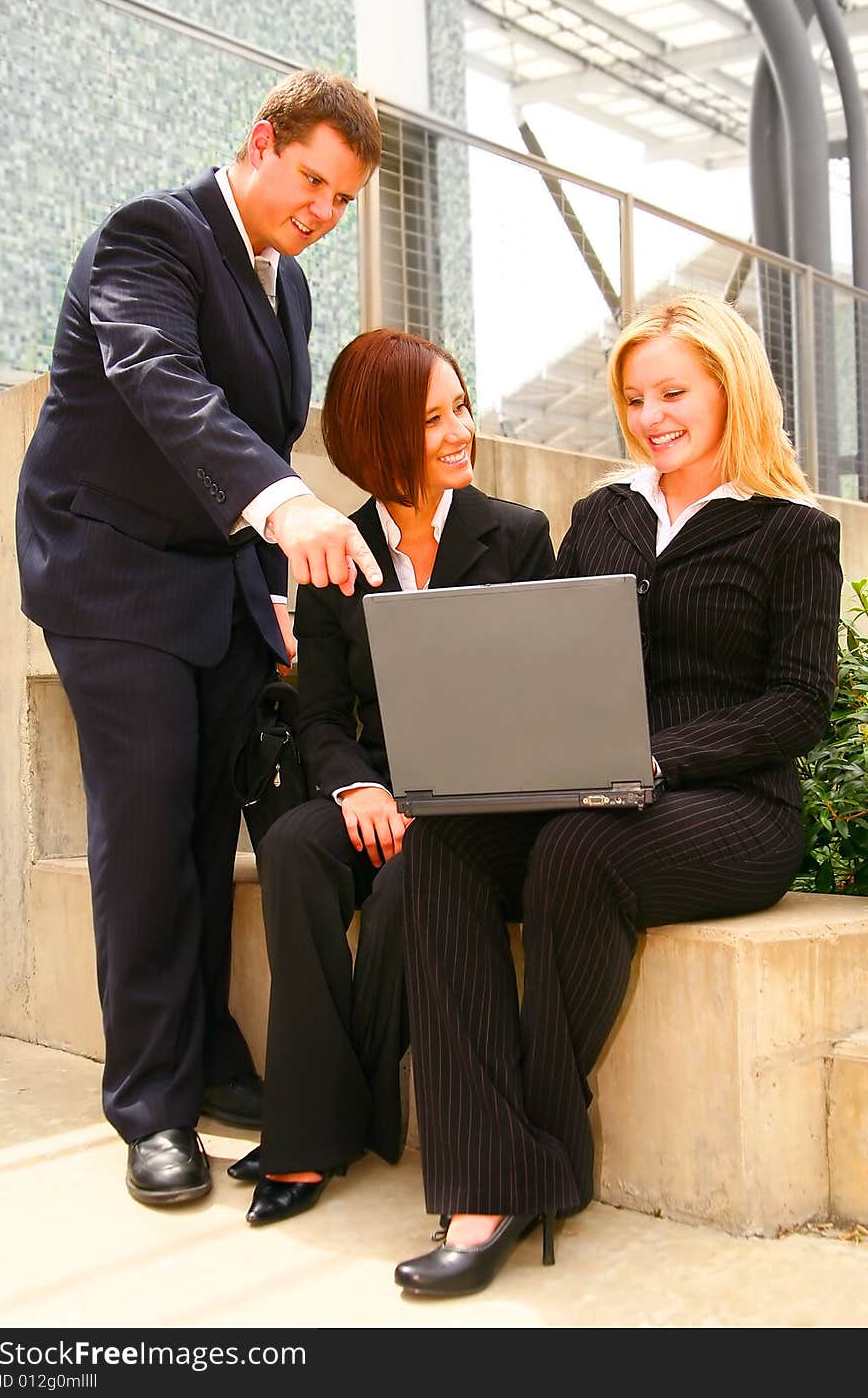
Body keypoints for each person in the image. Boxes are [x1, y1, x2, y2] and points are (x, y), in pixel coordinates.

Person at [393, 291, 843, 1297]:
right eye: (634, 396)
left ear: (729, 387)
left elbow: (794, 710)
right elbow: (549, 659)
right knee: (442, 849)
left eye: (672, 391)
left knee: (575, 853)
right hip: (595, 791)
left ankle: (540, 1155)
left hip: (732, 807)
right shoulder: (600, 514)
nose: (651, 415)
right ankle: (484, 1172)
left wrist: (656, 762)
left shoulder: (792, 532)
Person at [15, 69, 384, 1207]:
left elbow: (255, 431)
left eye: (341, 201)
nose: (319, 212)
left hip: (216, 584)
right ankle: (150, 1108)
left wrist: (268, 582)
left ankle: (211, 1058)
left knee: (200, 836)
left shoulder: (291, 292)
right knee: (143, 831)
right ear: (261, 142)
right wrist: (286, 509)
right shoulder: (151, 235)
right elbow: (161, 383)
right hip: (110, 574)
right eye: (310, 181)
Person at [225, 327, 555, 1226]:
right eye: (431, 419)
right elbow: (324, 715)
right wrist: (356, 788)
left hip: (477, 804)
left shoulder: (519, 537)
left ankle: (311, 1130)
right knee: (295, 845)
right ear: (377, 440)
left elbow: (537, 704)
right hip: (374, 791)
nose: (459, 432)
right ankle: (325, 1120)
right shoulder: (336, 550)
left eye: (460, 408)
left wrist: (437, 802)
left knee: (417, 883)